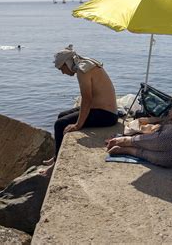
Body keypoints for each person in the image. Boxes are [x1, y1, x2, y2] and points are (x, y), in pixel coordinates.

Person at [42, 44, 118, 176]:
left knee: (60, 124)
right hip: (102, 109)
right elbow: (87, 99)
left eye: (62, 68)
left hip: (107, 115)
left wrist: (78, 125)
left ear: (67, 63)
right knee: (61, 116)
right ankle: (56, 155)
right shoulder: (85, 64)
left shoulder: (83, 70)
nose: (63, 72)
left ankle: (55, 165)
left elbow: (87, 99)